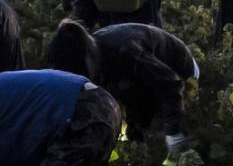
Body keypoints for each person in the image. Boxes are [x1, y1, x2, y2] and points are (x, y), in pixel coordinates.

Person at [44, 18, 197, 151]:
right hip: (143, 81)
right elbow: (129, 94)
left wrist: (173, 133)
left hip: (181, 71)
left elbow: (170, 84)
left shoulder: (126, 51)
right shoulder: (96, 57)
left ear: (88, 57)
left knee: (163, 134)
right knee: (137, 134)